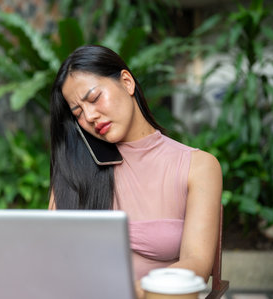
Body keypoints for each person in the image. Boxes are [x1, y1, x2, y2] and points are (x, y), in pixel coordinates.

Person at [48, 45, 222, 298]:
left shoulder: (199, 166)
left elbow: (197, 265)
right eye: (78, 113)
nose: (91, 116)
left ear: (127, 82)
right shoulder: (75, 169)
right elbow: (54, 258)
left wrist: (135, 292)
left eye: (94, 98)